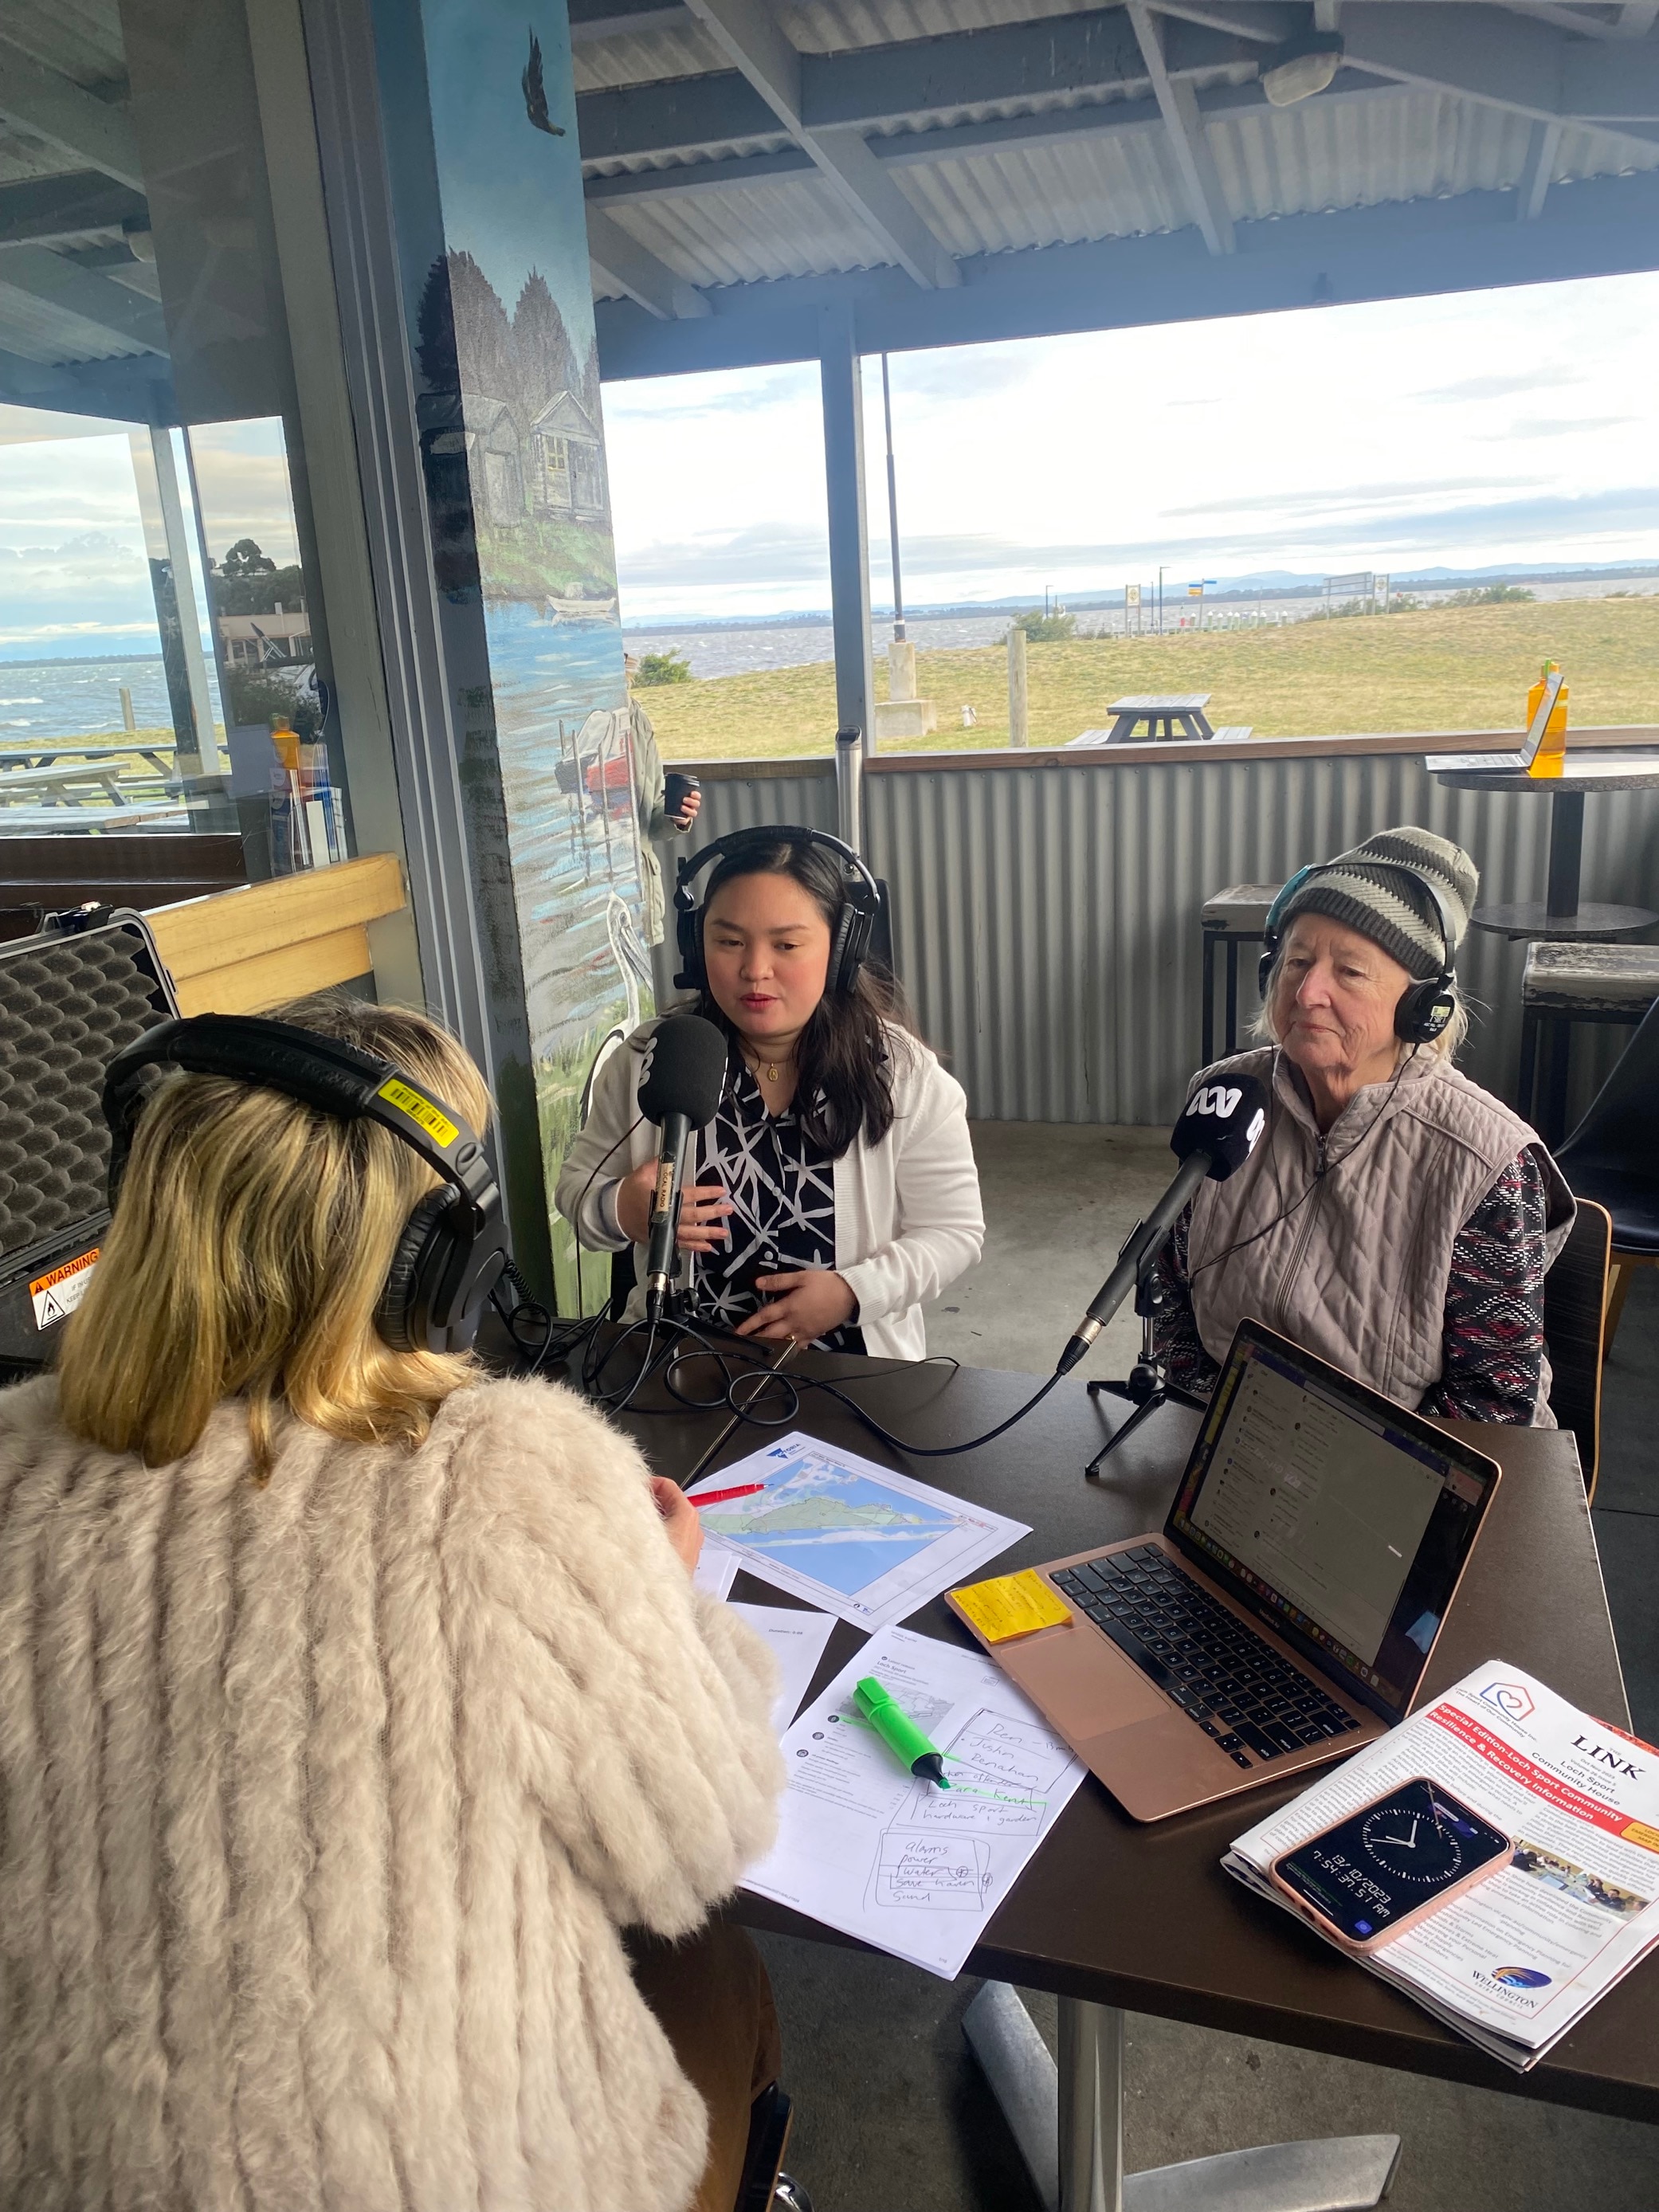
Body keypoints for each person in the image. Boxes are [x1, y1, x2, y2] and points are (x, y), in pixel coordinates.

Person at [0, 993, 786, 2212]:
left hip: (63, 2170)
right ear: (436, 1259)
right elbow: (693, 1841)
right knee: (724, 1976)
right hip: (442, 2181)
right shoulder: (501, 1476)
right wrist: (667, 1603)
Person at [1149, 826, 1575, 1424]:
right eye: (1297, 961)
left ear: (1422, 1006)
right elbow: (1170, 1292)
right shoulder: (1227, 1096)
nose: (1307, 991)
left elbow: (1491, 1404)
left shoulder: (1487, 1158)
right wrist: (1216, 1432)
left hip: (1401, 1463)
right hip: (1230, 1436)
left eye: (1349, 971)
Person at [557, 830, 984, 1358]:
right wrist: (621, 1208)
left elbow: (953, 1233)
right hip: (674, 1362)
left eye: (786, 945)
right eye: (729, 941)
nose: (754, 970)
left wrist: (854, 1293)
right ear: (696, 944)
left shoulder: (903, 1074)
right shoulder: (651, 1058)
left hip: (853, 1375)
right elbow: (577, 1191)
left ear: (840, 949)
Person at [629, 687, 700, 947]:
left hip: (637, 891)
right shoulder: (574, 718)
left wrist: (677, 818)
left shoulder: (635, 718)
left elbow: (650, 824)